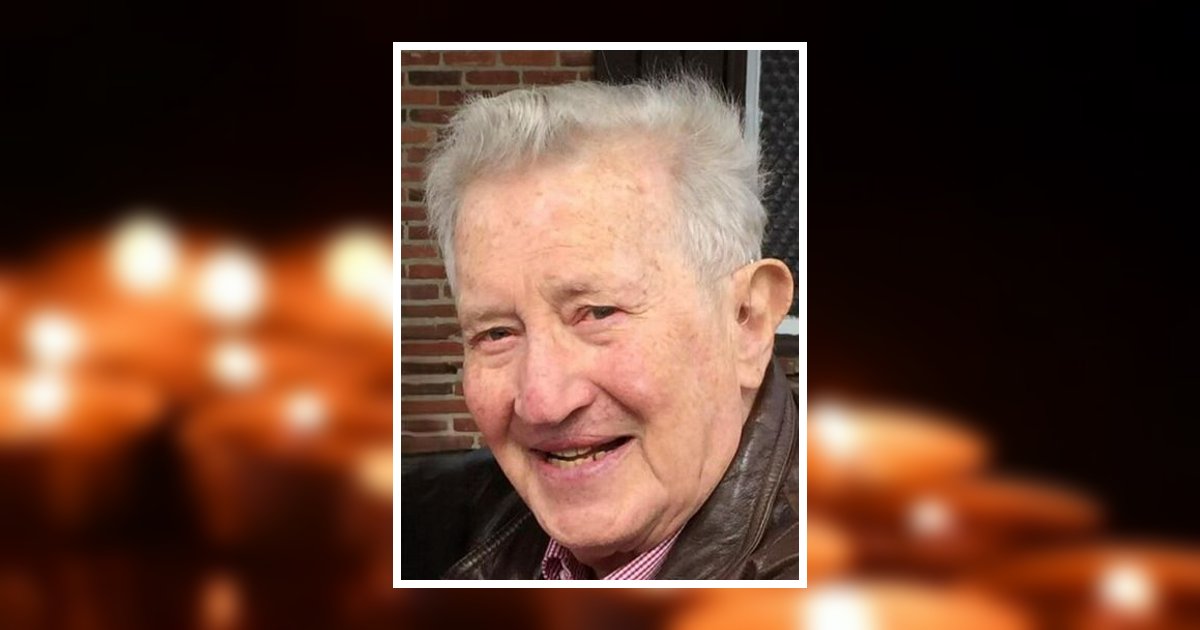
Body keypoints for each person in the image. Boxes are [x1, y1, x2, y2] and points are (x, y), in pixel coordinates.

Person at [418, 76, 798, 579]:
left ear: (747, 320)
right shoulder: (434, 531)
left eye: (598, 313)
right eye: (497, 334)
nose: (543, 402)